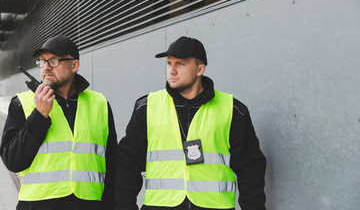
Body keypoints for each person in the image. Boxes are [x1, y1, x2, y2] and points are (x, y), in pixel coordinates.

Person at [115, 36, 266, 210]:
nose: (172, 70)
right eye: (169, 63)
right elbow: (126, 164)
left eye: (180, 64)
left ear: (200, 69)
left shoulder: (233, 110)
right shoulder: (147, 107)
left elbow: (251, 169)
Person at [0, 35, 117, 210]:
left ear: (74, 65)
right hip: (38, 205)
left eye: (54, 61)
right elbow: (13, 161)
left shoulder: (100, 104)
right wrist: (39, 116)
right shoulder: (22, 104)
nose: (46, 67)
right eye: (43, 61)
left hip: (89, 204)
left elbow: (112, 163)